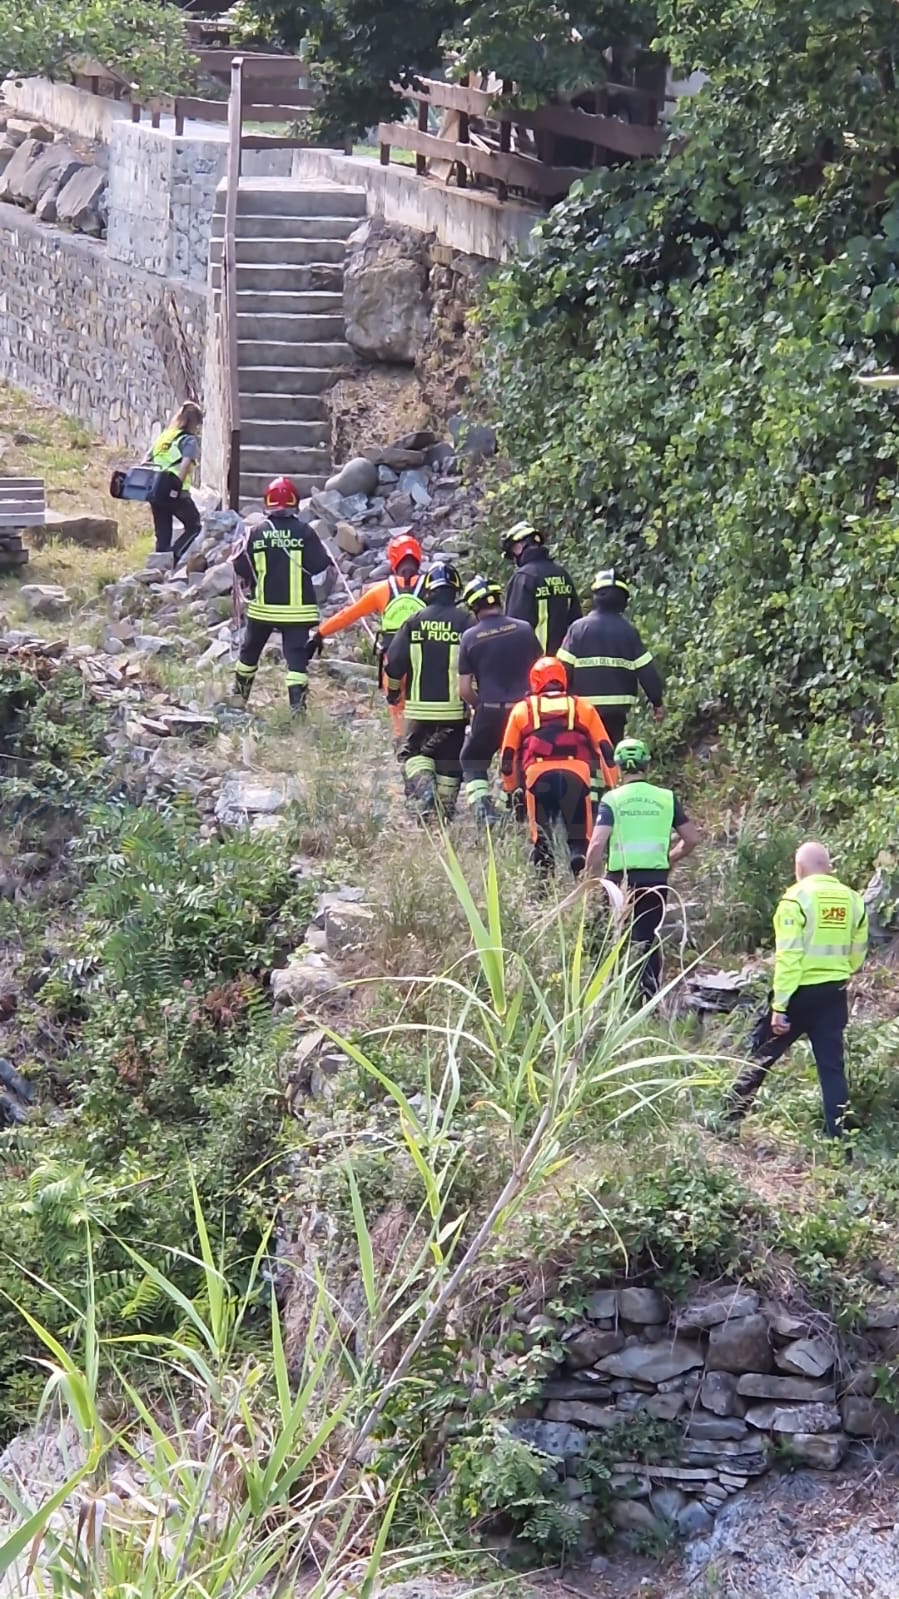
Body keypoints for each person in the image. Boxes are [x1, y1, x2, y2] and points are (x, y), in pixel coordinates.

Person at [724, 842, 868, 1140]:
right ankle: (839, 1139)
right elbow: (857, 954)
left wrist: (780, 1006)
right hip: (834, 993)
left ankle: (728, 1118)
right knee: (832, 1068)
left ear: (798, 868)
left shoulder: (796, 899)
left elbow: (789, 957)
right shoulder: (854, 900)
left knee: (762, 1054)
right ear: (828, 866)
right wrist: (838, 972)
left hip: (798, 996)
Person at [584, 737, 698, 999]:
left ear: (619, 767)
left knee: (608, 937)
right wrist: (669, 859)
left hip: (619, 882)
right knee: (647, 938)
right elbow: (691, 838)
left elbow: (597, 844)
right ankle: (649, 997)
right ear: (647, 764)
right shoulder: (666, 798)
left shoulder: (612, 799)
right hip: (655, 879)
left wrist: (591, 881)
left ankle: (608, 995)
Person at [500, 656, 618, 879]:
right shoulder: (582, 707)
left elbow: (508, 756)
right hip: (576, 775)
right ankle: (579, 866)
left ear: (534, 681)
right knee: (579, 835)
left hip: (537, 776)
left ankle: (544, 885)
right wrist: (613, 785)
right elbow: (606, 749)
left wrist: (511, 789)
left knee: (541, 837)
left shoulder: (522, 710)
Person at [308, 533, 428, 736]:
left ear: (392, 560)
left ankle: (402, 743)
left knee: (396, 704)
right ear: (418, 558)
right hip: (427, 658)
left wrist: (320, 633)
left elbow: (348, 615)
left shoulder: (381, 590)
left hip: (394, 658)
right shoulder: (432, 587)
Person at [232, 476, 331, 714]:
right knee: (296, 662)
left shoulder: (255, 532)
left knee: (249, 654)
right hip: (297, 612)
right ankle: (297, 711)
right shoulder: (305, 531)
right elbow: (318, 565)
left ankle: (238, 699)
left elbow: (242, 568)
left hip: (263, 610)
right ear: (294, 502)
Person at [385, 561, 471, 821]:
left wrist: (392, 693)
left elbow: (395, 664)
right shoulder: (467, 621)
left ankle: (424, 790)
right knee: (450, 760)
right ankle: (443, 813)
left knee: (413, 754)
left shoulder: (414, 622)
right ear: (456, 590)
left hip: (420, 710)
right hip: (455, 711)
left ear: (429, 590)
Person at [457, 575, 541, 824]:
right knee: (519, 759)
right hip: (525, 711)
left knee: (472, 758)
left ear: (473, 607)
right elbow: (541, 669)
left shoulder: (470, 638)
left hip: (491, 710)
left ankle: (484, 811)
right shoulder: (525, 629)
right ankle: (517, 807)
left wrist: (478, 706)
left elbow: (464, 689)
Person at [558, 568, 663, 747]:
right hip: (616, 712)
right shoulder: (628, 632)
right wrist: (657, 703)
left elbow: (560, 669)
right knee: (611, 755)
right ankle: (611, 774)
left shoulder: (578, 629)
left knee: (586, 754)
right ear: (623, 600)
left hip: (582, 710)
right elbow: (647, 671)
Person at [502, 522, 581, 655]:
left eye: (513, 551)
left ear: (520, 546)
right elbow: (576, 620)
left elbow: (514, 628)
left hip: (536, 665)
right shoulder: (562, 574)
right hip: (564, 663)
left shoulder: (523, 577)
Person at [146, 401, 203, 563]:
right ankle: (176, 555)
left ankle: (158, 569)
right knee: (194, 525)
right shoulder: (188, 440)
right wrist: (176, 487)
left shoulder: (165, 436)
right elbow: (185, 465)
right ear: (194, 423)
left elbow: (146, 460)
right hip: (177, 492)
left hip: (156, 491)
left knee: (163, 534)